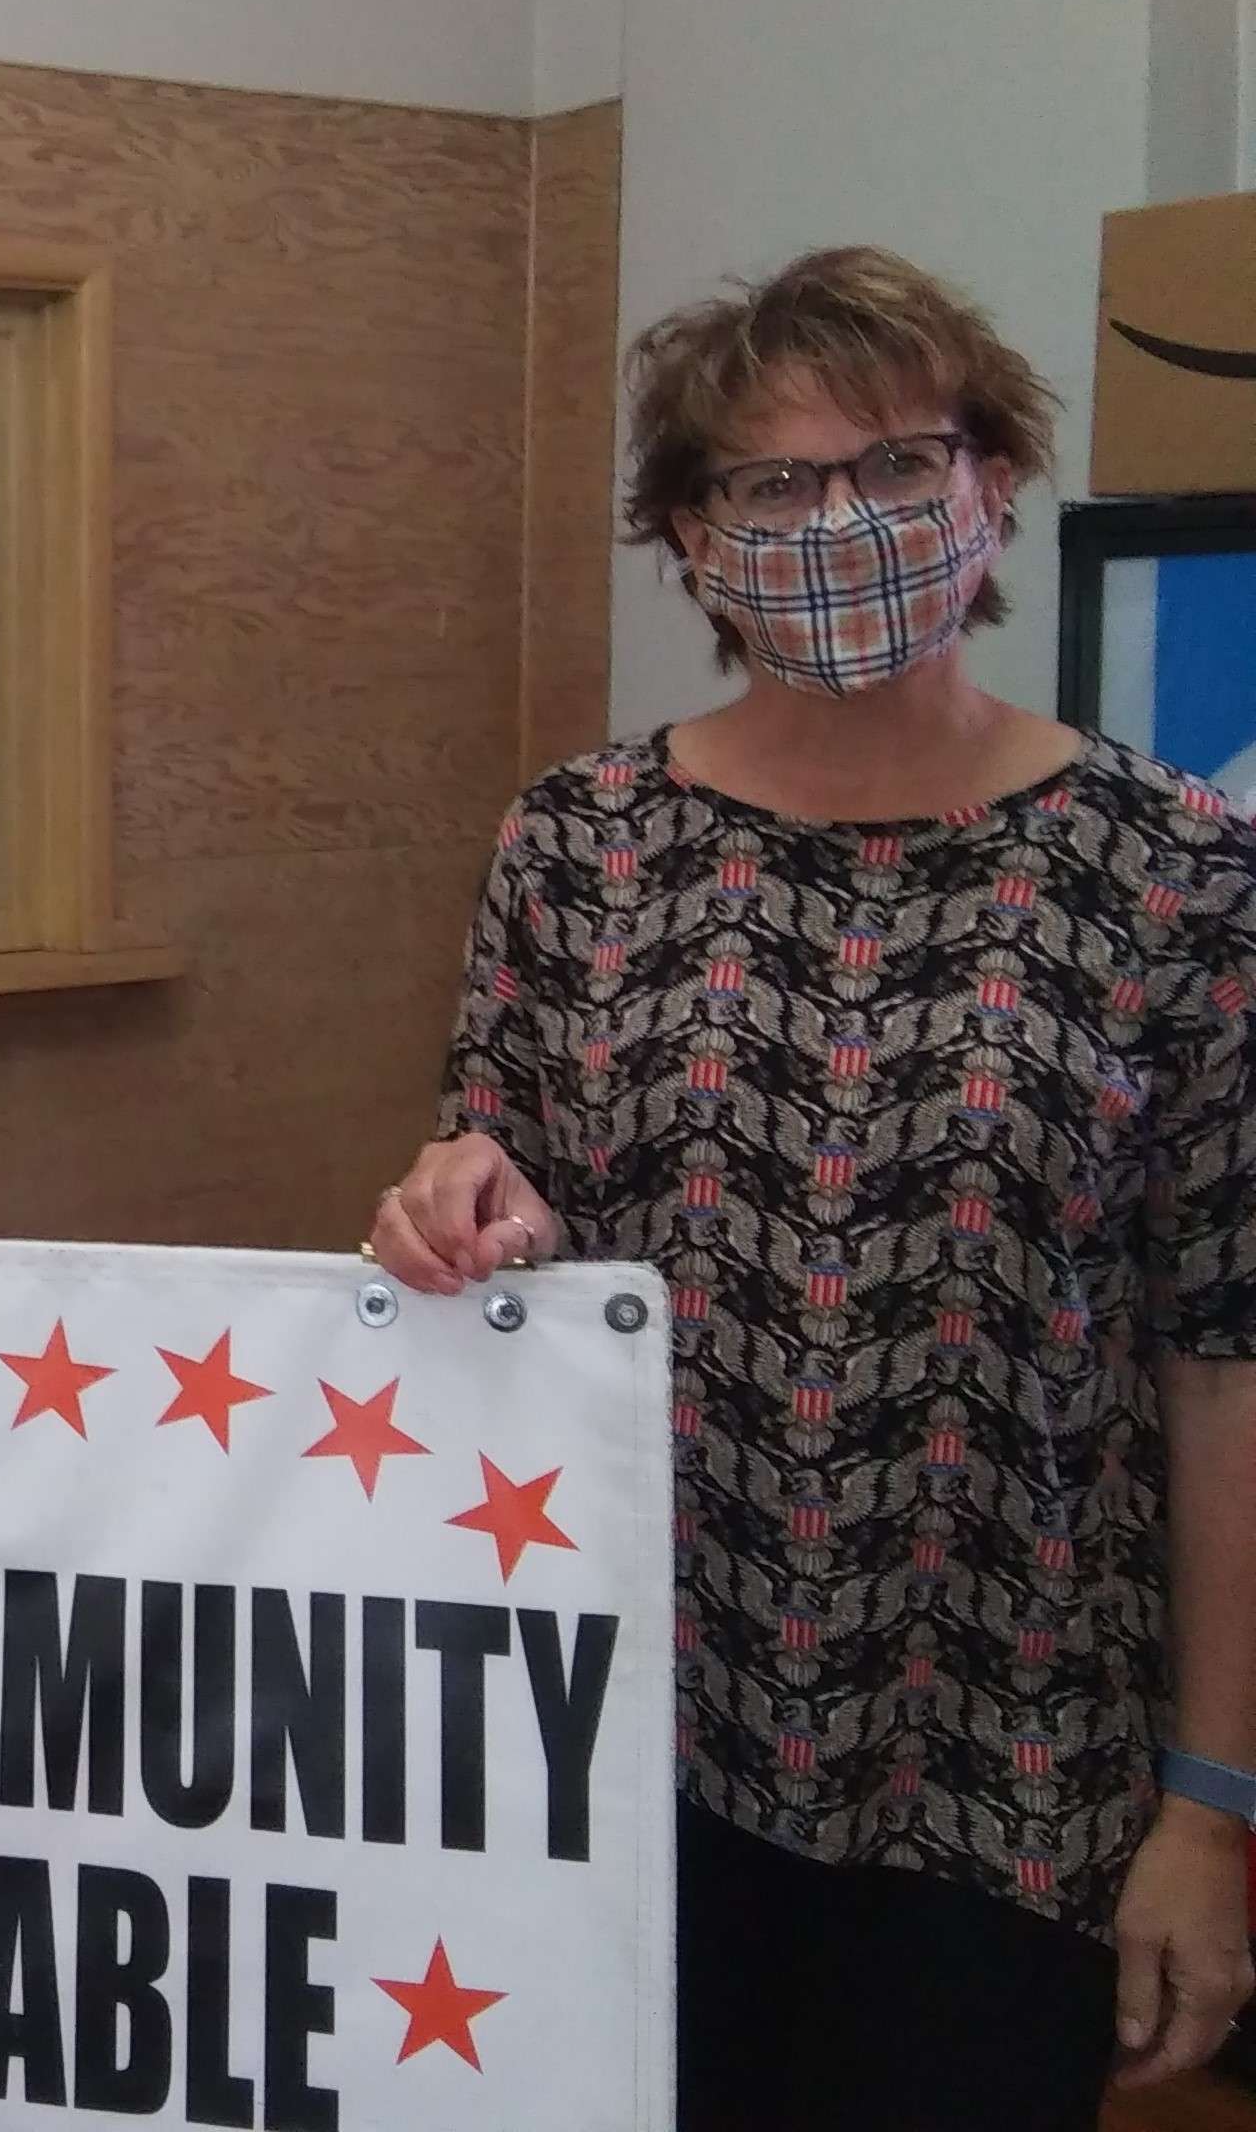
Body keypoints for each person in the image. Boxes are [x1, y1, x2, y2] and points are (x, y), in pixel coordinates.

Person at [368, 249, 1256, 2129]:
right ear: (690, 539)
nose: (840, 522)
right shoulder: (580, 848)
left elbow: (1224, 1356)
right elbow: (490, 1193)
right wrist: (451, 1213)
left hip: (1013, 1769)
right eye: (771, 484)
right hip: (618, 1747)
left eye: (899, 464)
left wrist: (1214, 1802)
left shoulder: (1178, 871)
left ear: (994, 487)